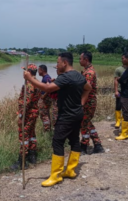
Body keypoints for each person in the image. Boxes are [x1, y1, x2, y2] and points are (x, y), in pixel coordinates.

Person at [24, 52, 92, 187]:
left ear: (65, 63)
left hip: (67, 115)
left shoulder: (66, 77)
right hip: (77, 113)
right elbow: (88, 89)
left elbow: (47, 88)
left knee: (57, 142)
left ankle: (56, 176)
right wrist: (81, 104)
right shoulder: (78, 75)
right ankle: (71, 171)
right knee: (74, 141)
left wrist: (30, 78)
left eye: (58, 62)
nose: (56, 65)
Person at [11, 64, 40, 170]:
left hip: (28, 114)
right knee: (31, 134)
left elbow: (26, 102)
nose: (23, 73)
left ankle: (22, 161)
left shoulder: (29, 84)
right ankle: (32, 156)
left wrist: (21, 115)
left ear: (29, 72)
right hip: (34, 112)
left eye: (25, 71)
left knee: (24, 135)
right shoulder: (36, 82)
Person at [79, 51, 105, 154]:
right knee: (87, 122)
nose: (79, 60)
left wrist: (81, 104)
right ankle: (97, 144)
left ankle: (84, 147)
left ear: (86, 60)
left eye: (80, 59)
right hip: (88, 101)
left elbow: (87, 89)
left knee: (84, 123)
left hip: (88, 102)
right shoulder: (87, 71)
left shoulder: (89, 73)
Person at [37, 65, 53, 132]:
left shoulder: (46, 78)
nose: (38, 71)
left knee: (44, 114)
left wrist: (44, 96)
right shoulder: (46, 77)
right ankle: (48, 129)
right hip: (47, 98)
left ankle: (47, 130)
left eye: (39, 70)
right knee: (46, 113)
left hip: (45, 99)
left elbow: (49, 88)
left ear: (42, 70)